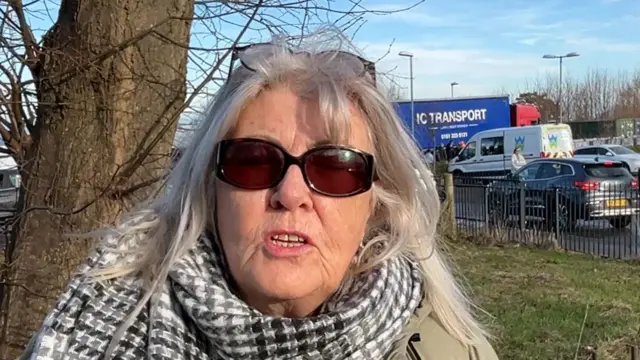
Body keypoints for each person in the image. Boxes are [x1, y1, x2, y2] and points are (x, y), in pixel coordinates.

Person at [21, 29, 498, 360]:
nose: (290, 194)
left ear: (376, 200)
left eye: (334, 168)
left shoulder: (453, 350)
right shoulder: (93, 325)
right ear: (211, 185)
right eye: (254, 161)